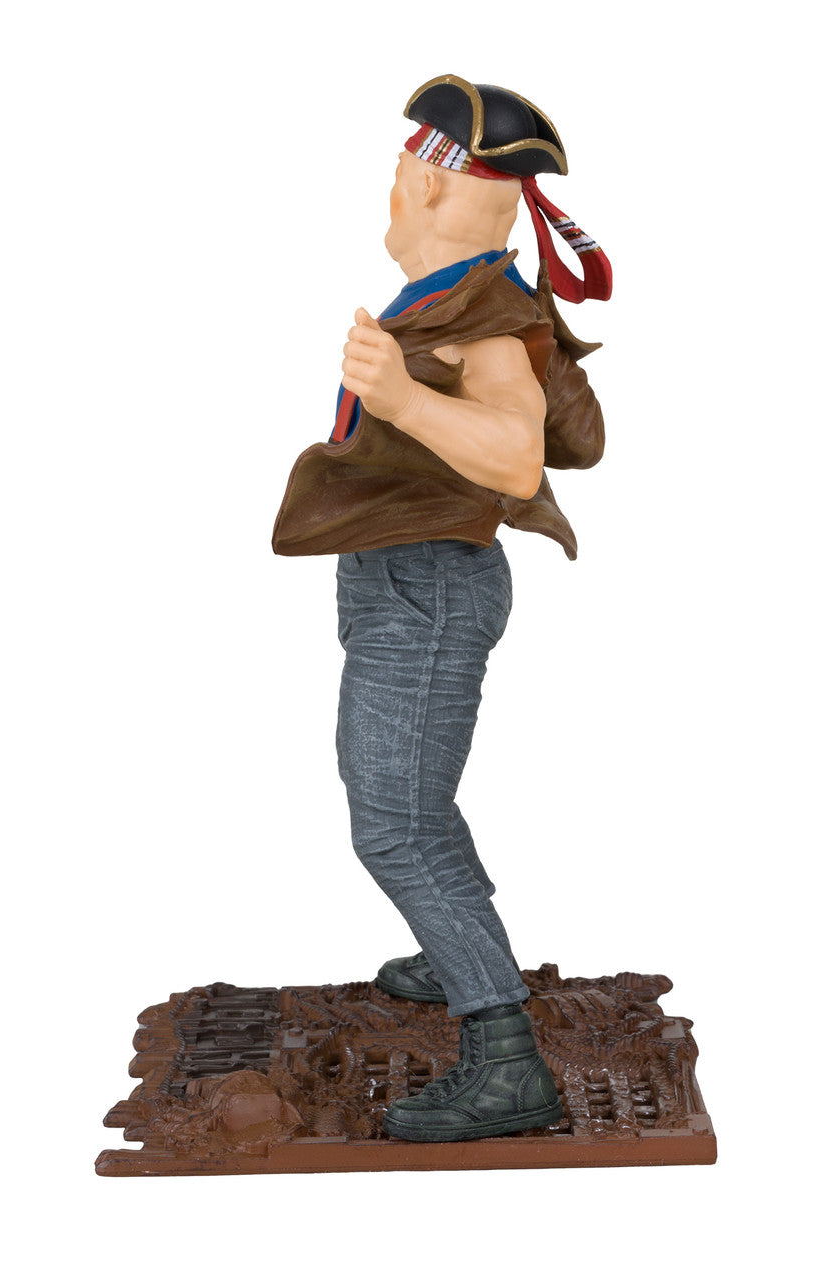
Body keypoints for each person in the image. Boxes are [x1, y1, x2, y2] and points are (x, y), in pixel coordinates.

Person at [273, 75, 610, 1142]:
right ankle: (455, 942)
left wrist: (403, 397)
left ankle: (505, 1059)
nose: (391, 188)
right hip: (401, 578)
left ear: (424, 185)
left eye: (398, 171)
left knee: (395, 822)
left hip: (425, 587)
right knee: (410, 798)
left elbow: (515, 458)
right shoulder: (457, 294)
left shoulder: (485, 319)